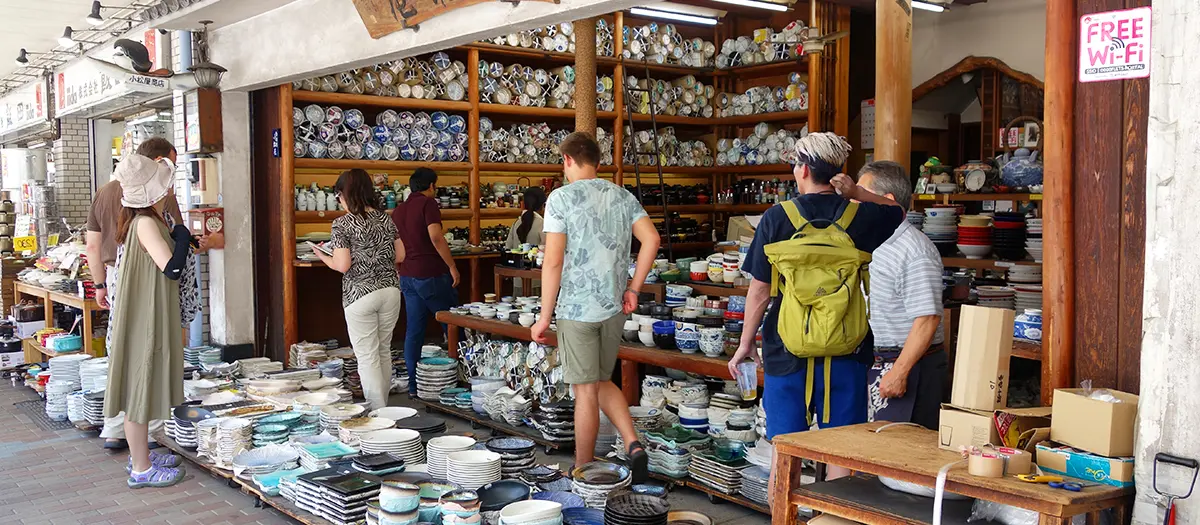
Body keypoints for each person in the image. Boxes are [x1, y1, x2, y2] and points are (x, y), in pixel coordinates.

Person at [727, 133, 903, 475]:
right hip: (846, 348)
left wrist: (745, 344)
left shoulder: (778, 217)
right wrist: (856, 193)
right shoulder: (860, 217)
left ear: (804, 170)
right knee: (841, 450)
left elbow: (760, 291)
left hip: (787, 349)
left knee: (785, 450)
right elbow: (897, 210)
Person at [530, 132, 659, 481]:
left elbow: (553, 263)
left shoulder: (560, 199)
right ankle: (632, 442)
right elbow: (652, 239)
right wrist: (634, 287)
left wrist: (544, 316)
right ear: (598, 163)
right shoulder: (621, 196)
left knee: (585, 391)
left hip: (576, 309)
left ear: (568, 161)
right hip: (614, 307)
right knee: (601, 380)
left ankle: (581, 469)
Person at [84, 137, 220, 451]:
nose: (169, 186)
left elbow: (91, 245)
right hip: (148, 286)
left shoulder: (105, 193)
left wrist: (100, 284)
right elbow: (173, 261)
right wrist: (192, 239)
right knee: (144, 358)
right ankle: (150, 441)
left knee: (126, 354)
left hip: (120, 277)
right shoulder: (150, 213)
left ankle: (116, 430)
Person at [104, 153, 192, 488]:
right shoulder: (145, 223)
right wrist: (182, 236)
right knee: (138, 391)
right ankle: (141, 467)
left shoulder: (145, 221)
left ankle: (140, 456)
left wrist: (180, 235)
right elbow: (171, 268)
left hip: (146, 311)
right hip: (145, 316)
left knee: (141, 386)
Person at [857, 161, 946, 430]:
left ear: (886, 201)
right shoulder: (870, 240)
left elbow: (927, 318)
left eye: (859, 195)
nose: (852, 202)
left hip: (909, 366)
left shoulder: (915, 250)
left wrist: (900, 371)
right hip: (874, 360)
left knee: (900, 458)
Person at [314, 169, 404, 410]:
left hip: (359, 294)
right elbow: (401, 254)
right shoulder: (386, 218)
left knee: (367, 356)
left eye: (338, 196)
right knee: (383, 351)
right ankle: (385, 409)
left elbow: (343, 265)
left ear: (345, 195)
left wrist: (323, 256)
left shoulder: (342, 224)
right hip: (390, 291)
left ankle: (379, 414)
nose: (339, 201)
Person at [392, 167, 460, 397]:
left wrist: (401, 271)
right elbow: (436, 237)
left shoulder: (399, 211)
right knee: (452, 325)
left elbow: (397, 250)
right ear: (431, 186)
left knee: (414, 332)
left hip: (408, 276)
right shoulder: (429, 204)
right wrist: (452, 265)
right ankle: (460, 381)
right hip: (430, 274)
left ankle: (413, 386)